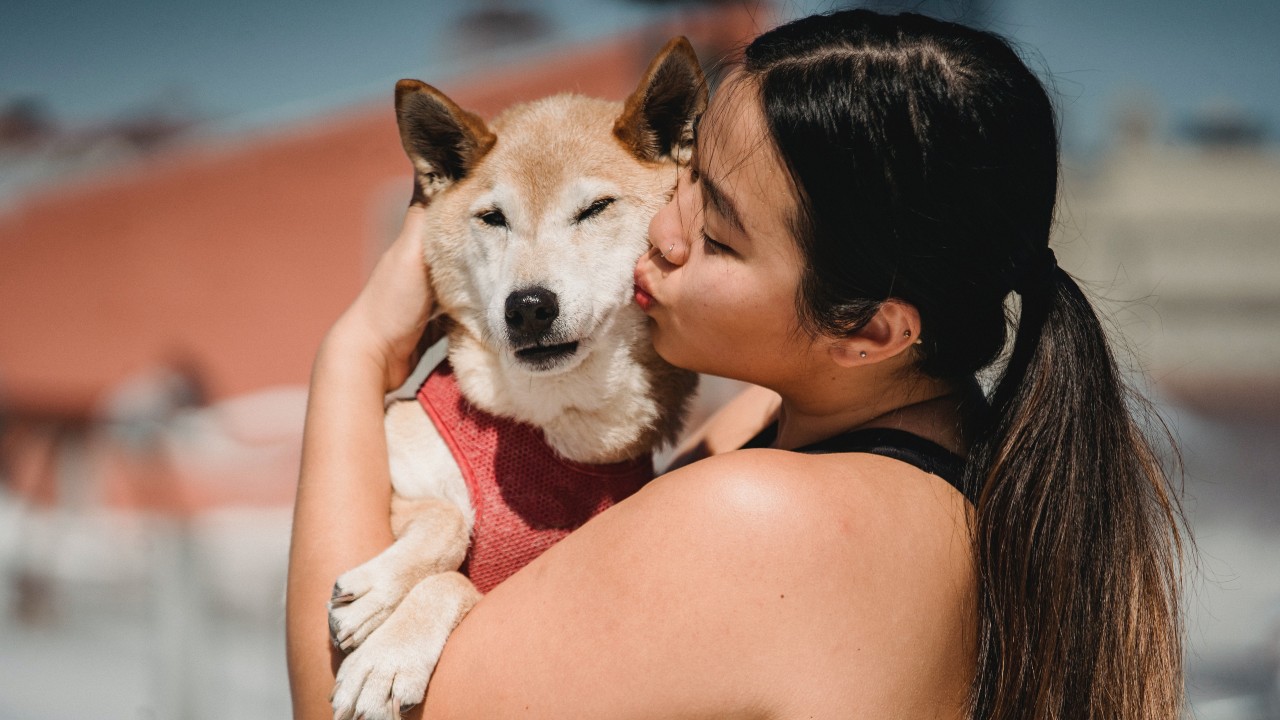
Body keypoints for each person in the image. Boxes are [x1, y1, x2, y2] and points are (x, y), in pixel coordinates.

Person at [286, 9, 1186, 720]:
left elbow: (348, 710)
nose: (660, 236)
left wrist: (357, 351)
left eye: (717, 234)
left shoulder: (754, 516)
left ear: (869, 331)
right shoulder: (880, 451)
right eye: (686, 180)